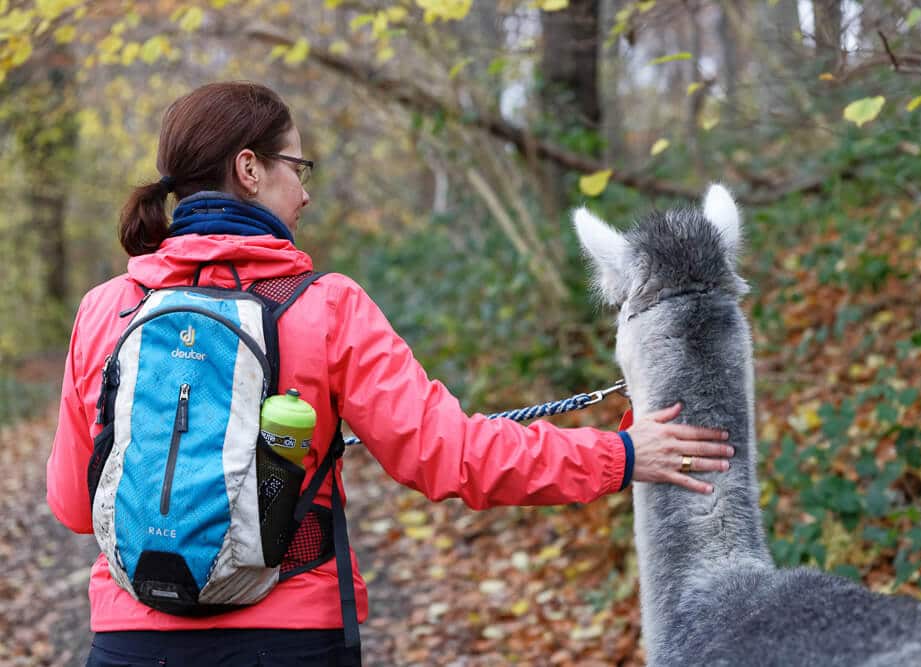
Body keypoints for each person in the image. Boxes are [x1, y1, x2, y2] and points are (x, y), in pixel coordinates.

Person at [46, 81, 734, 666]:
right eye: (298, 167)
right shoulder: (324, 306)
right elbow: (454, 456)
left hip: (129, 638)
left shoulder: (108, 308)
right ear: (249, 169)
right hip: (288, 639)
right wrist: (620, 455)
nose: (305, 193)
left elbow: (76, 506)